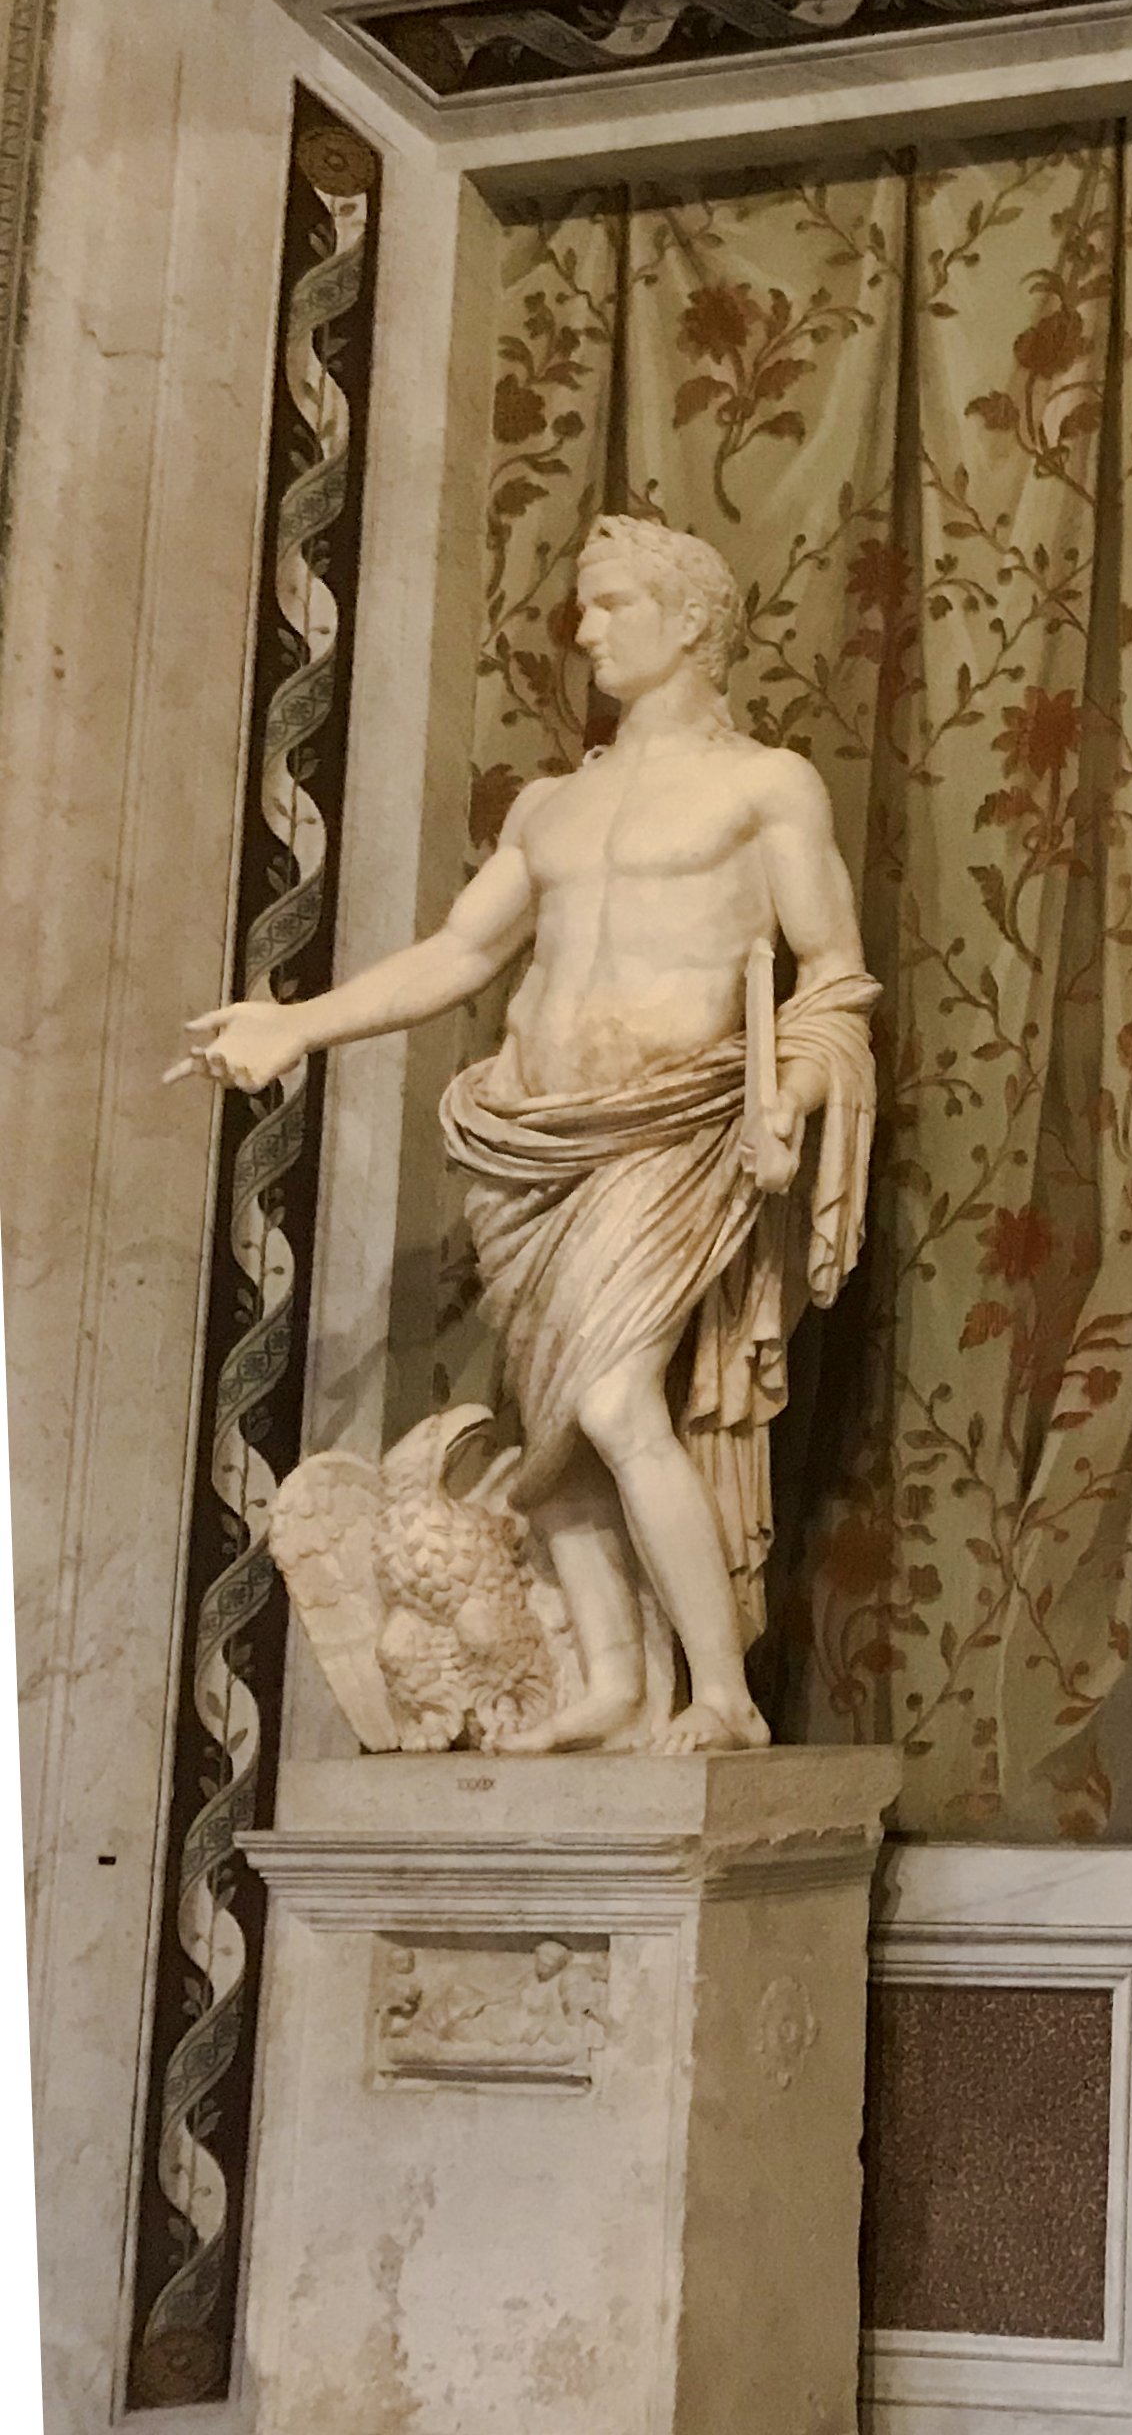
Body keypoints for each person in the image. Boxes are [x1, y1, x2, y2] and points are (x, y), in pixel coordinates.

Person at [181, 514, 876, 1753]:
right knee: (553, 1414)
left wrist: (796, 1098)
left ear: (693, 621)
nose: (584, 628)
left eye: (611, 605)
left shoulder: (765, 784)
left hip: (668, 1131)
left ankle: (724, 1694)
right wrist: (298, 1027)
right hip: (527, 1141)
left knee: (610, 1399)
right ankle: (612, 1680)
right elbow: (461, 951)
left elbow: (831, 980)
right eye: (582, 605)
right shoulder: (553, 804)